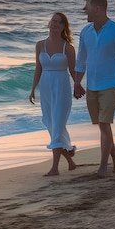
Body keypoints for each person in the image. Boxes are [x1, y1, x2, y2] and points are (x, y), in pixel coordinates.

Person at [73, 0, 115, 178]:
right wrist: (77, 83)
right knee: (102, 125)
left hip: (111, 83)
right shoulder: (85, 32)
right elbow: (81, 59)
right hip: (92, 84)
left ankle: (103, 166)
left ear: (97, 9)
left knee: (105, 123)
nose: (85, 12)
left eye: (87, 9)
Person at [29, 12, 77, 176]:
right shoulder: (40, 45)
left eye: (59, 22)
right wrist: (33, 89)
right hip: (46, 88)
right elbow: (38, 68)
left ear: (63, 27)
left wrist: (78, 85)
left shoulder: (68, 48)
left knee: (57, 124)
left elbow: (73, 71)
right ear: (49, 23)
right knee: (51, 124)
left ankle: (55, 168)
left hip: (62, 88)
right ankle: (69, 159)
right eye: (53, 21)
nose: (55, 24)